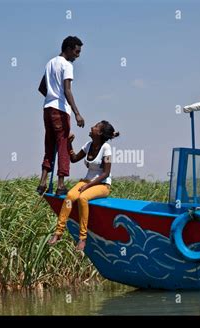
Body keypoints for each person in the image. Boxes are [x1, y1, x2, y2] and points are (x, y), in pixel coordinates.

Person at [48, 121, 119, 251]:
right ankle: (58, 233)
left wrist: (88, 186)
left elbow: (106, 173)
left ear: (100, 133)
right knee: (70, 196)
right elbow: (74, 158)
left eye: (96, 127)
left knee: (82, 198)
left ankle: (82, 237)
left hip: (102, 185)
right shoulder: (88, 145)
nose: (92, 127)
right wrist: (69, 143)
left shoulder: (106, 148)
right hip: (87, 181)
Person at [37, 36, 85, 196]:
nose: (77, 55)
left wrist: (51, 96)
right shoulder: (67, 65)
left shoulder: (50, 63)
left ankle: (42, 182)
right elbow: (67, 90)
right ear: (69, 49)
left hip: (47, 109)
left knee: (49, 145)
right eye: (77, 52)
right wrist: (77, 113)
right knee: (63, 145)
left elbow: (42, 87)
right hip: (61, 111)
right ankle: (60, 185)